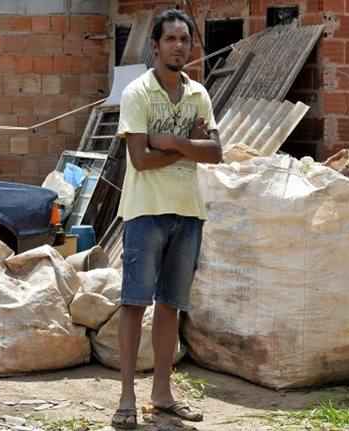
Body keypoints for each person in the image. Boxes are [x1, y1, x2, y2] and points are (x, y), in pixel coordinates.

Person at [111, 8, 222, 429]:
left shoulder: (199, 95)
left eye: (185, 39)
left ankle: (162, 394)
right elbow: (139, 159)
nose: (179, 46)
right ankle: (125, 397)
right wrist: (191, 143)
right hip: (145, 212)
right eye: (171, 39)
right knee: (134, 304)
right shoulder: (138, 93)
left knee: (170, 306)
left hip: (188, 212)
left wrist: (172, 141)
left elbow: (215, 153)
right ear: (155, 46)